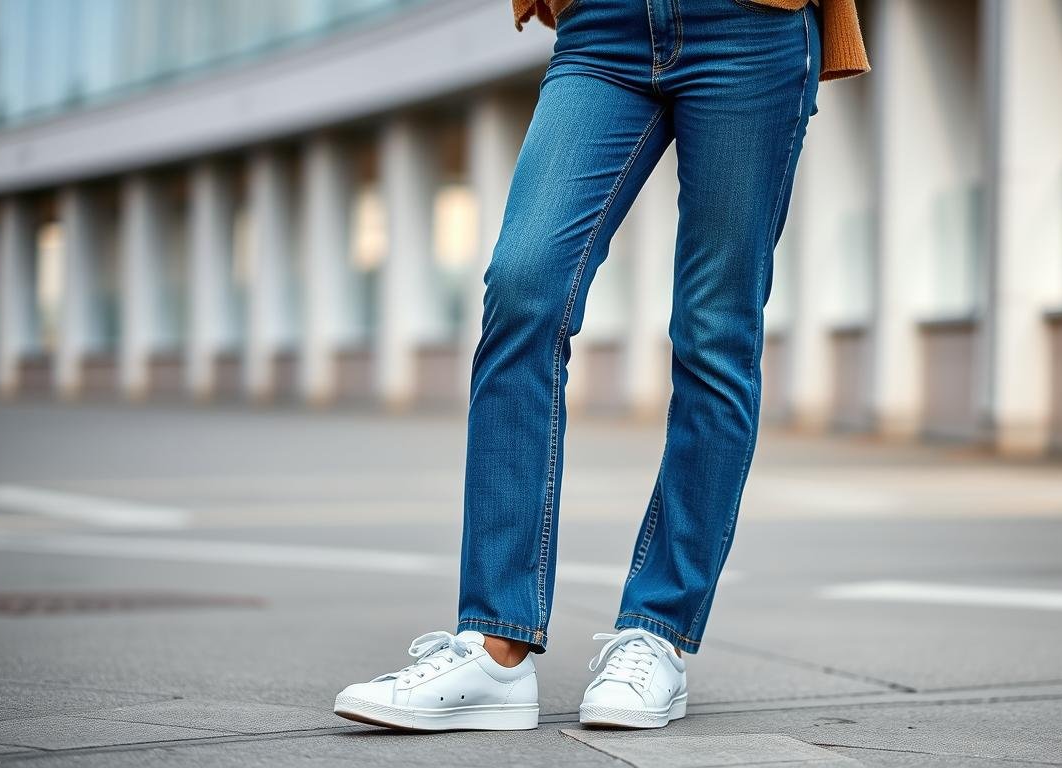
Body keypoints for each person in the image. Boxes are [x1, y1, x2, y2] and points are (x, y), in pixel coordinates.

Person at [334, 0, 867, 731]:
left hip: (751, 25)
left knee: (715, 330)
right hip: (605, 23)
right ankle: (495, 647)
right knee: (524, 285)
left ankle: (657, 632)